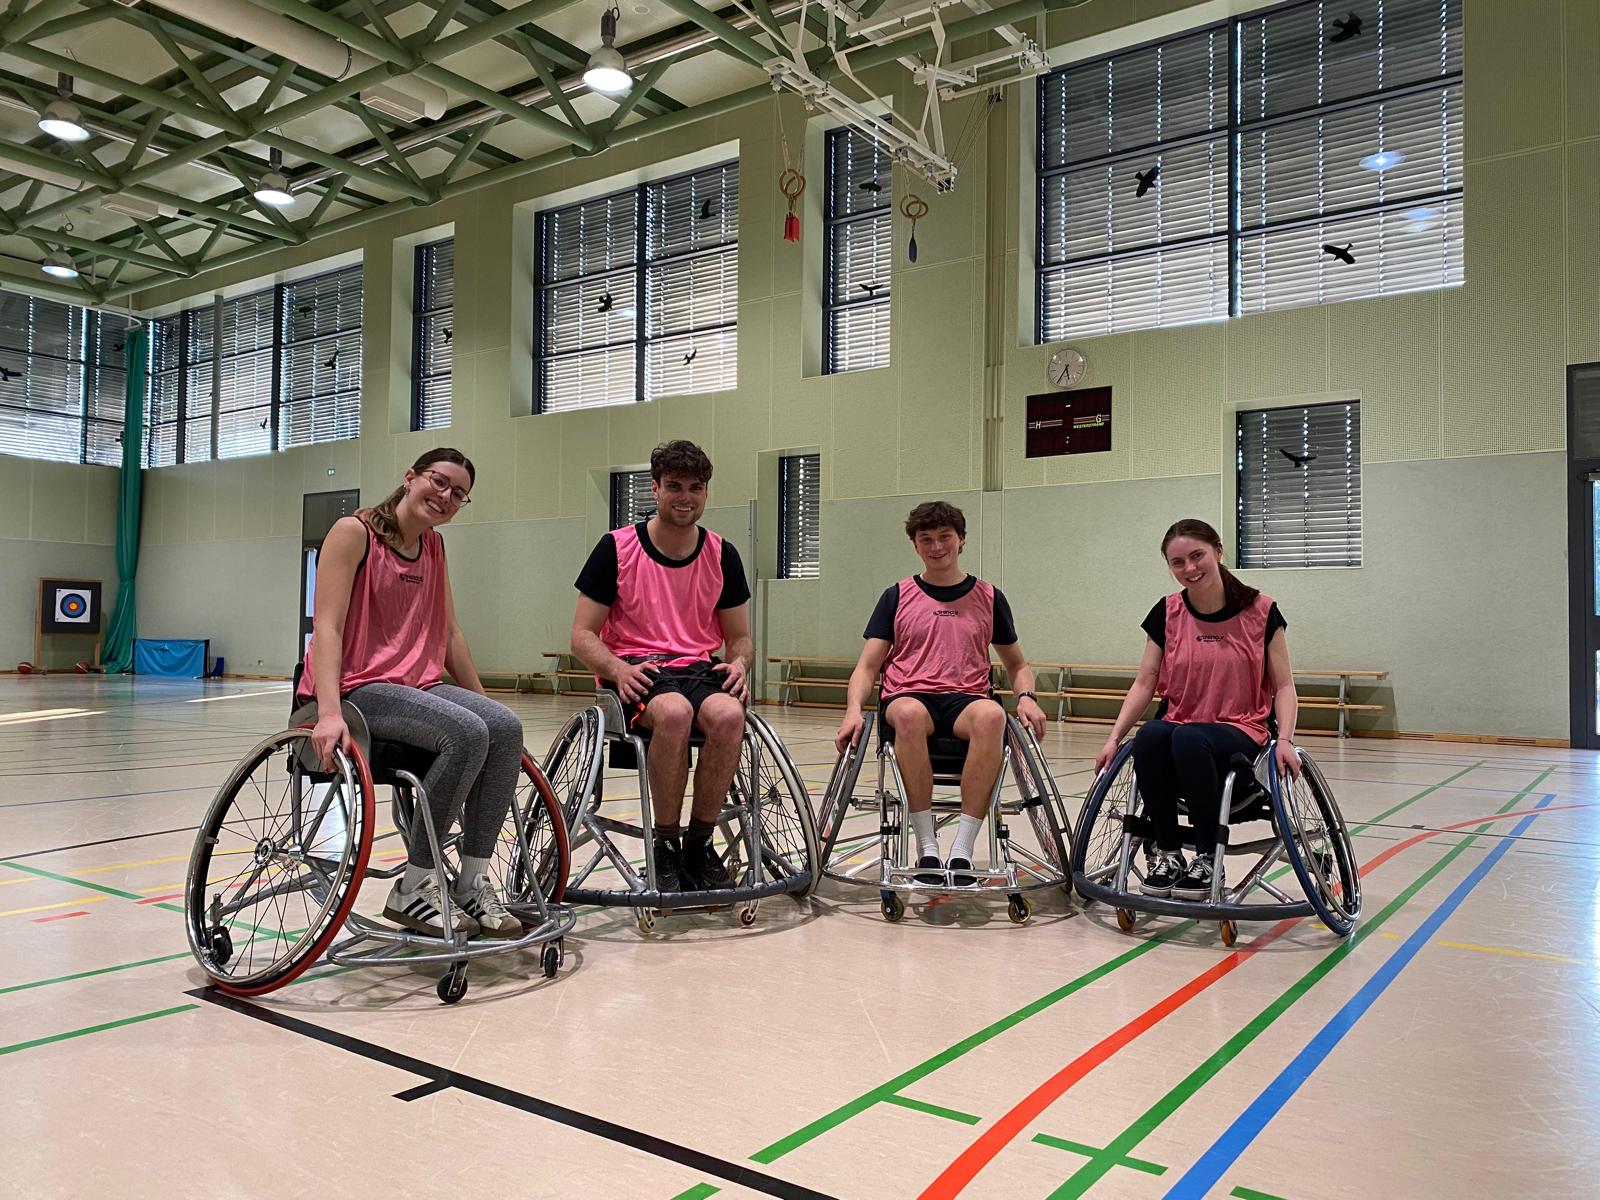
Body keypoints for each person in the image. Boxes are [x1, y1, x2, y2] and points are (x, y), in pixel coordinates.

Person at [302, 448, 524, 939]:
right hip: (359, 686)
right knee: (465, 733)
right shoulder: (353, 533)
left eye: (459, 494)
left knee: (503, 726)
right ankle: (416, 884)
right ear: (410, 477)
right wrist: (329, 712)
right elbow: (328, 626)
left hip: (416, 684)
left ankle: (472, 881)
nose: (446, 497)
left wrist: (489, 703)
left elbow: (450, 636)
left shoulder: (435, 547)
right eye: (439, 482)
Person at [570, 440, 753, 893]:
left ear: (707, 492)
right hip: (637, 667)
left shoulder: (722, 553)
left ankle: (699, 842)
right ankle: (664, 843)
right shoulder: (616, 548)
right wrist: (616, 669)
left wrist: (740, 664)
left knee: (730, 716)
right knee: (673, 714)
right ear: (654, 488)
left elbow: (740, 637)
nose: (685, 497)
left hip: (698, 668)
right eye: (674, 486)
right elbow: (581, 635)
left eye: (695, 487)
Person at [834, 500, 1047, 885]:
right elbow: (867, 666)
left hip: (966, 699)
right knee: (910, 716)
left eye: (944, 537)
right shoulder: (896, 596)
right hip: (909, 694)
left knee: (994, 715)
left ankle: (962, 851)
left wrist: (1027, 698)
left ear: (961, 540)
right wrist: (852, 710)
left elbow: (1018, 665)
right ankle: (927, 846)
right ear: (915, 545)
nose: (936, 547)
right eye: (926, 539)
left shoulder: (989, 597)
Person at [1093, 518, 1300, 901]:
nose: (1189, 569)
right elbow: (1145, 681)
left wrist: (1285, 739)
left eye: (1197, 556)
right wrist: (1113, 737)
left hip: (1241, 730)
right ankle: (1169, 854)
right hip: (1181, 726)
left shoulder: (1262, 611)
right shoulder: (1167, 612)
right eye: (1177, 563)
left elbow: (1285, 686)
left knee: (1189, 737)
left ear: (1218, 552)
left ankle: (1207, 857)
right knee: (1152, 734)